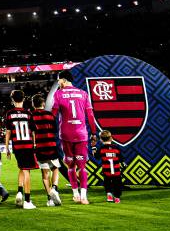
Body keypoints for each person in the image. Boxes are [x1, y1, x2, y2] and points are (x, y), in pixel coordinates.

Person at [52, 70, 98, 204]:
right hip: (81, 134)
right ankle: (84, 196)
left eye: (59, 80)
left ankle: (76, 194)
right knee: (82, 166)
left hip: (66, 134)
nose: (58, 82)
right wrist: (94, 133)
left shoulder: (58, 94)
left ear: (64, 80)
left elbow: (53, 114)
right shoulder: (83, 94)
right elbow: (90, 116)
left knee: (71, 165)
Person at [4, 90, 38, 210]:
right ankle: (27, 201)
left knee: (22, 168)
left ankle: (19, 191)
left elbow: (8, 132)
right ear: (23, 99)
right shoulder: (28, 113)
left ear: (12, 100)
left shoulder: (9, 113)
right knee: (27, 171)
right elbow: (33, 131)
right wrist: (34, 144)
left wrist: (7, 147)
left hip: (17, 146)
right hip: (27, 145)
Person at [30, 94, 63, 206]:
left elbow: (31, 132)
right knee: (55, 168)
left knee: (45, 174)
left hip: (40, 147)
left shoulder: (31, 116)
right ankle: (54, 188)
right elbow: (55, 130)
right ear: (43, 103)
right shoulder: (50, 115)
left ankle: (49, 198)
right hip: (51, 145)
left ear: (33, 105)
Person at [98, 131, 126, 203]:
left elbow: (96, 156)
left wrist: (93, 148)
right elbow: (121, 158)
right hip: (116, 171)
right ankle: (117, 197)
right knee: (117, 184)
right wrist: (123, 163)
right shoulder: (116, 148)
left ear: (101, 139)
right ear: (111, 138)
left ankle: (109, 195)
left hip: (106, 171)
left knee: (107, 183)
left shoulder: (101, 149)